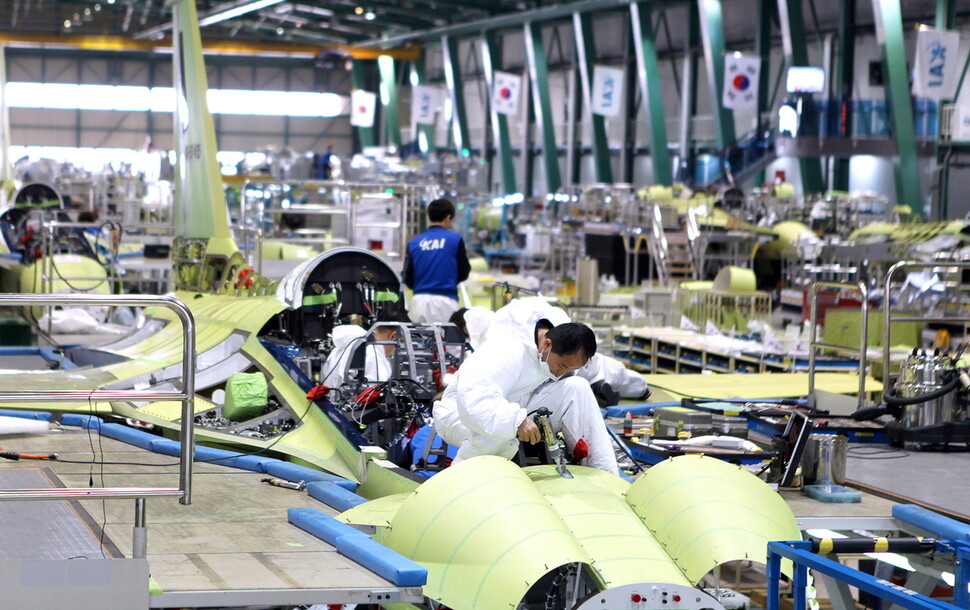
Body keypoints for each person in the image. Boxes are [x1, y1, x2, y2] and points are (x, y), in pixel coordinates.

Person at [433, 320, 619, 475]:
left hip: (515, 404)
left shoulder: (550, 353)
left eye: (569, 369)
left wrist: (518, 418)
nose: (561, 373)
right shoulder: (507, 350)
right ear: (546, 344)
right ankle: (460, 482)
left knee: (577, 387)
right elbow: (475, 402)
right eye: (561, 366)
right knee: (497, 430)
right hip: (459, 414)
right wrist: (517, 420)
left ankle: (603, 473)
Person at [459, 297, 650, 403]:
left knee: (600, 369)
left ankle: (640, 388)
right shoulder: (503, 338)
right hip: (540, 367)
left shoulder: (557, 325)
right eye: (562, 366)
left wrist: (563, 368)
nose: (560, 372)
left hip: (564, 355)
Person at [403, 198, 471, 324]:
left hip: (419, 302)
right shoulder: (455, 240)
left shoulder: (414, 243)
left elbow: (407, 276)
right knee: (447, 342)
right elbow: (464, 271)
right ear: (448, 217)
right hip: (446, 301)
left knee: (418, 341)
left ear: (429, 217)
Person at [321, 323, 399, 389]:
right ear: (393, 337)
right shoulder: (373, 354)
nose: (395, 350)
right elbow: (375, 391)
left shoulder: (343, 347)